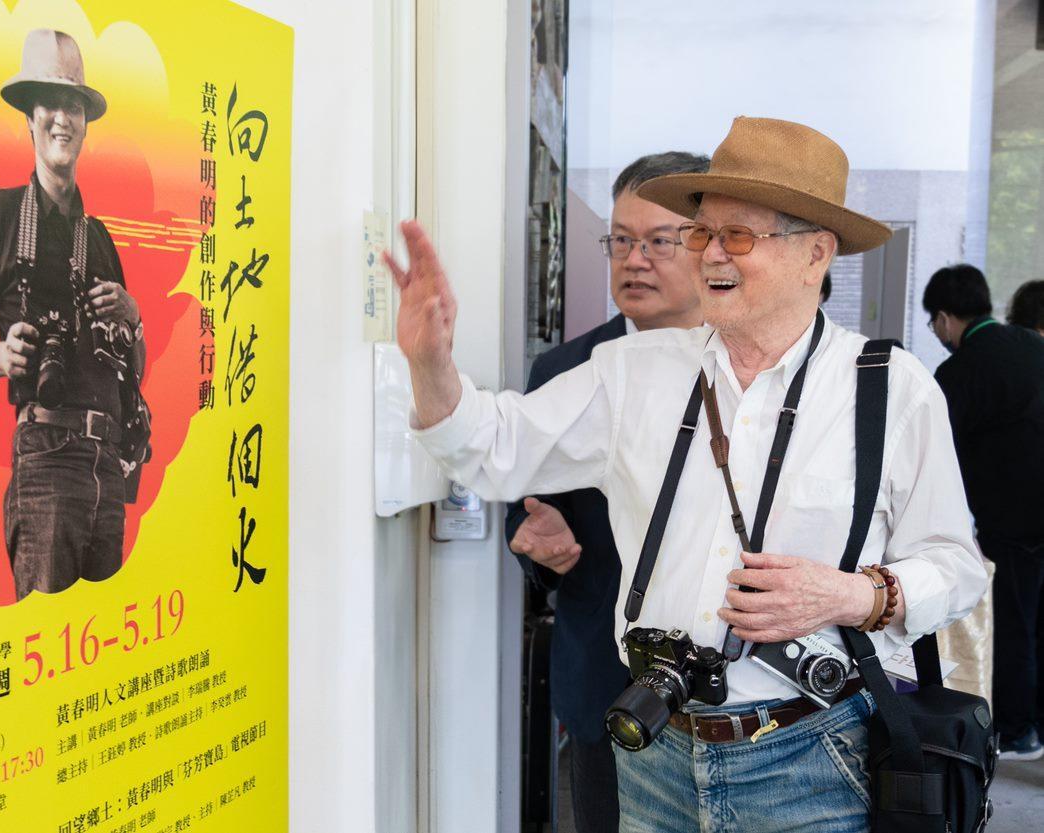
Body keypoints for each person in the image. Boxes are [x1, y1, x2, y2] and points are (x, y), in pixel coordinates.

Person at [386, 117, 986, 832]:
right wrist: (430, 365)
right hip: (656, 754)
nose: (709, 254)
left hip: (815, 759)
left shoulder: (890, 388)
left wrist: (857, 593)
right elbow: (490, 446)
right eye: (702, 232)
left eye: (739, 235)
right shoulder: (634, 371)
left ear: (815, 255)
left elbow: (956, 565)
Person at [504, 151, 707, 833]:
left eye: (658, 240)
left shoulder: (745, 369)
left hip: (738, 695)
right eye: (622, 239)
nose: (635, 258)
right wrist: (539, 543)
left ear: (707, 245)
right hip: (604, 679)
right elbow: (529, 506)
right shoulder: (566, 368)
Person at [0, 29, 146, 601]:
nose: (63, 119)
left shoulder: (97, 237)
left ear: (86, 120)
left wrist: (133, 316)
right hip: (46, 465)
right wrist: (1, 356)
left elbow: (132, 367)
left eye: (74, 103)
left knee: (102, 669)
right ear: (29, 115)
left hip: (109, 470)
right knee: (46, 663)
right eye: (50, 103)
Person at [923, 264, 1044, 760]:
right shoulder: (1034, 346)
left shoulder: (958, 372)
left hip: (1012, 521)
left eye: (934, 322)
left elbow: (937, 461)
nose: (936, 333)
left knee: (1015, 626)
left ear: (947, 318)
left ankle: (1019, 730)